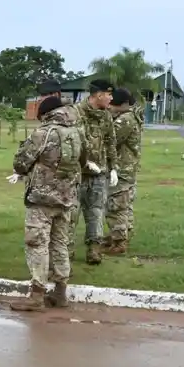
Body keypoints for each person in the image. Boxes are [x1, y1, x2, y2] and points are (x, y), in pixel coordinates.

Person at [7, 96, 85, 311]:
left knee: (37, 244)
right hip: (67, 197)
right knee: (60, 243)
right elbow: (84, 161)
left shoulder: (43, 133)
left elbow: (21, 163)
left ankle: (37, 294)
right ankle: (60, 292)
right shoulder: (77, 132)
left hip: (42, 198)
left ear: (45, 114)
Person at [72, 78, 117, 265]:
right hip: (77, 174)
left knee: (96, 213)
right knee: (70, 214)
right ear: (98, 95)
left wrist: (113, 167)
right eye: (108, 94)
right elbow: (69, 142)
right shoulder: (75, 113)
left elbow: (110, 142)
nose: (111, 98)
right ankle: (65, 251)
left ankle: (94, 249)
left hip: (99, 174)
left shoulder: (106, 115)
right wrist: (85, 162)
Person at [103, 88, 142, 256]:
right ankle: (120, 235)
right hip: (128, 167)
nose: (109, 108)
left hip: (121, 169)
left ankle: (119, 241)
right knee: (125, 205)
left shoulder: (125, 120)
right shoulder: (130, 117)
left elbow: (111, 140)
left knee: (116, 206)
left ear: (123, 105)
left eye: (112, 105)